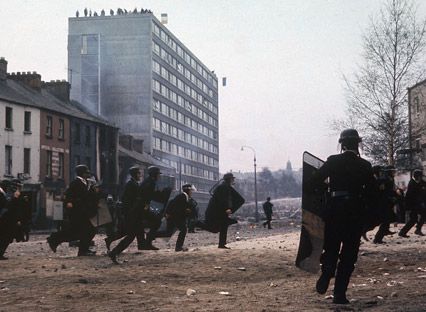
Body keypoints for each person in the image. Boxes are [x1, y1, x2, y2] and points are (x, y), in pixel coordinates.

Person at [311, 129, 375, 304]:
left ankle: (327, 272)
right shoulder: (365, 165)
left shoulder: (333, 161)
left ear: (342, 144)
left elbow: (314, 181)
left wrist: (327, 192)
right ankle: (339, 295)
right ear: (357, 144)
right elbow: (372, 193)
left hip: (334, 211)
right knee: (349, 254)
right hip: (355, 213)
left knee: (331, 246)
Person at [108, 166, 170, 264]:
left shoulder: (144, 182)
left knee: (136, 232)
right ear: (154, 174)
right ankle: (114, 252)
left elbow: (147, 196)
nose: (140, 175)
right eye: (158, 174)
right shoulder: (145, 183)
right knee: (133, 235)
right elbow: (141, 197)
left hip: (136, 212)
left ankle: (142, 244)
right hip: (135, 213)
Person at [47, 165, 97, 256]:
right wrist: (69, 202)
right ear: (82, 173)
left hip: (84, 212)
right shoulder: (75, 183)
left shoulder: (87, 183)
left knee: (86, 231)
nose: (89, 174)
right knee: (79, 232)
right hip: (77, 213)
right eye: (87, 172)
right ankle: (54, 239)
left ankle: (82, 250)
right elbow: (68, 195)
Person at [104, 166, 144, 251]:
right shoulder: (131, 184)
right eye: (139, 173)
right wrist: (130, 212)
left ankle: (110, 240)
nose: (140, 175)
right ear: (135, 174)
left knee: (126, 231)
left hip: (130, 211)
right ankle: (115, 251)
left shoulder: (134, 183)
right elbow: (127, 200)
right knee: (130, 232)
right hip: (130, 212)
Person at [204, 173, 245, 249]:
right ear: (229, 179)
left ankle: (221, 244)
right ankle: (196, 223)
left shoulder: (225, 187)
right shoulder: (224, 187)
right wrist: (228, 208)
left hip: (219, 211)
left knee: (223, 226)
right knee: (216, 228)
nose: (233, 180)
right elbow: (221, 200)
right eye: (232, 179)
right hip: (217, 211)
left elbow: (240, 199)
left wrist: (230, 209)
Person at [165, 184, 197, 252]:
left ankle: (179, 246)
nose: (192, 192)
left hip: (175, 216)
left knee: (181, 230)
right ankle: (178, 247)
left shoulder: (183, 196)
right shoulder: (183, 196)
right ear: (188, 190)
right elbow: (178, 207)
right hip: (175, 216)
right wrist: (186, 211)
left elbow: (172, 202)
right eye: (191, 190)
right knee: (183, 229)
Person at [373, 165, 397, 244]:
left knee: (388, 219)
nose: (394, 172)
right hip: (384, 203)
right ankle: (377, 238)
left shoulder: (390, 179)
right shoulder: (384, 180)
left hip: (388, 202)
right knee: (385, 220)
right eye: (393, 171)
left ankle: (384, 232)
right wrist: (390, 197)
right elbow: (383, 192)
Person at [399, 169, 425, 237]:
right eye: (420, 176)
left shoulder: (421, 182)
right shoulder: (412, 184)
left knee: (422, 215)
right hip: (412, 205)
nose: (421, 177)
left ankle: (417, 229)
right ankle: (403, 232)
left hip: (418, 204)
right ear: (417, 176)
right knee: (413, 219)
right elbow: (412, 197)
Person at [0, 180, 22, 260]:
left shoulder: (4, 194)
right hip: (5, 220)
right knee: (5, 237)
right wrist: (15, 198)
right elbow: (8, 206)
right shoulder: (3, 194)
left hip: (6, 219)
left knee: (5, 237)